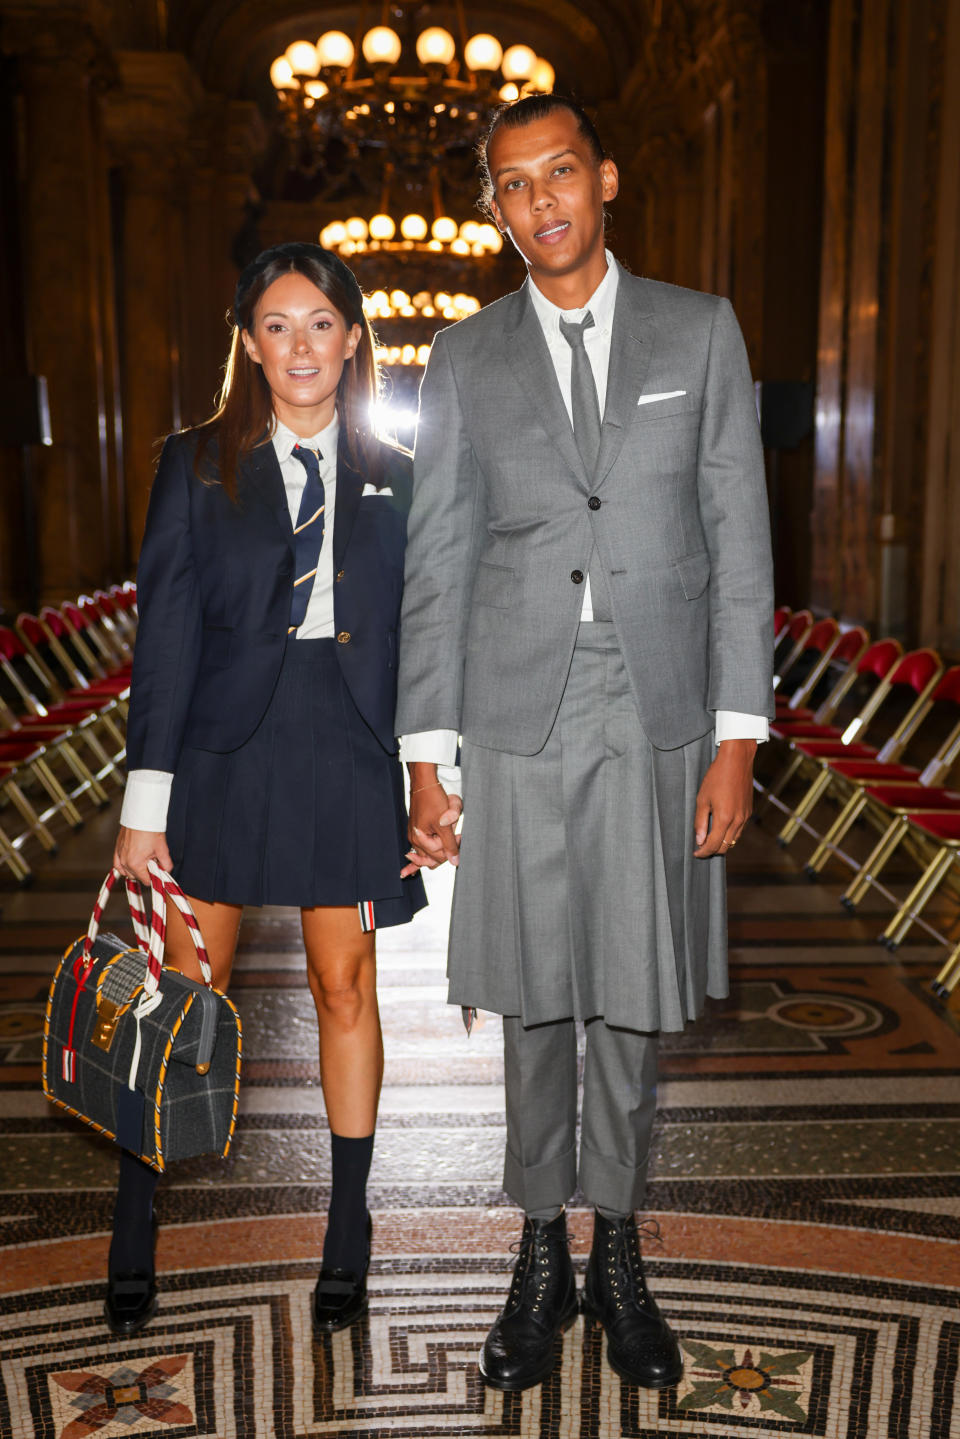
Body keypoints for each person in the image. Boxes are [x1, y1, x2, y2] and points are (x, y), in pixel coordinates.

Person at [396, 96, 774, 1392]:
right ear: (494, 208)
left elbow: (738, 544)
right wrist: (423, 752)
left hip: (659, 704)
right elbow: (438, 560)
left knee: (630, 987)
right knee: (534, 987)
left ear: (605, 178)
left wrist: (738, 740)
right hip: (516, 705)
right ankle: (538, 1249)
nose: (541, 198)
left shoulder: (700, 329)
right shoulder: (464, 355)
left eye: (561, 171)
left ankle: (617, 1246)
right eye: (513, 183)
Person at [109, 241, 426, 1338]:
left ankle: (349, 1225)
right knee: (190, 994)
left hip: (346, 744)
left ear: (352, 339)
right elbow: (166, 639)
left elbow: (422, 637)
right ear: (249, 342)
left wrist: (434, 772)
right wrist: (144, 802)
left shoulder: (400, 470)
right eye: (279, 325)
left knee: (347, 986)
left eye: (322, 323)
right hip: (221, 751)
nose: (302, 345)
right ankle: (136, 1220)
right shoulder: (194, 463)